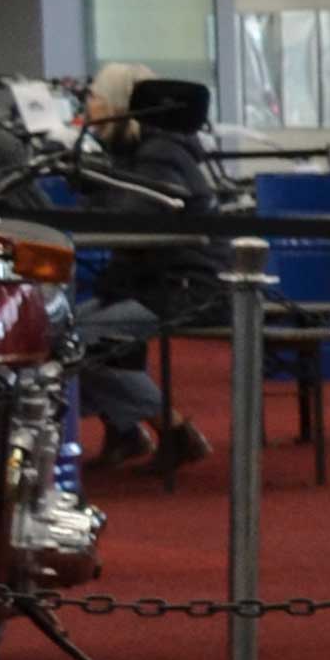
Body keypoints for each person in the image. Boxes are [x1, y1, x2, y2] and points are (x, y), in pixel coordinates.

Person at [47, 61, 216, 478]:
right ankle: (126, 432)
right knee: (57, 330)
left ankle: (174, 428)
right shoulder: (140, 152)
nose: (88, 106)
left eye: (94, 97)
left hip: (184, 288)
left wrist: (92, 187)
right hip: (149, 283)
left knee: (73, 339)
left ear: (117, 105)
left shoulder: (159, 154)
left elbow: (134, 218)